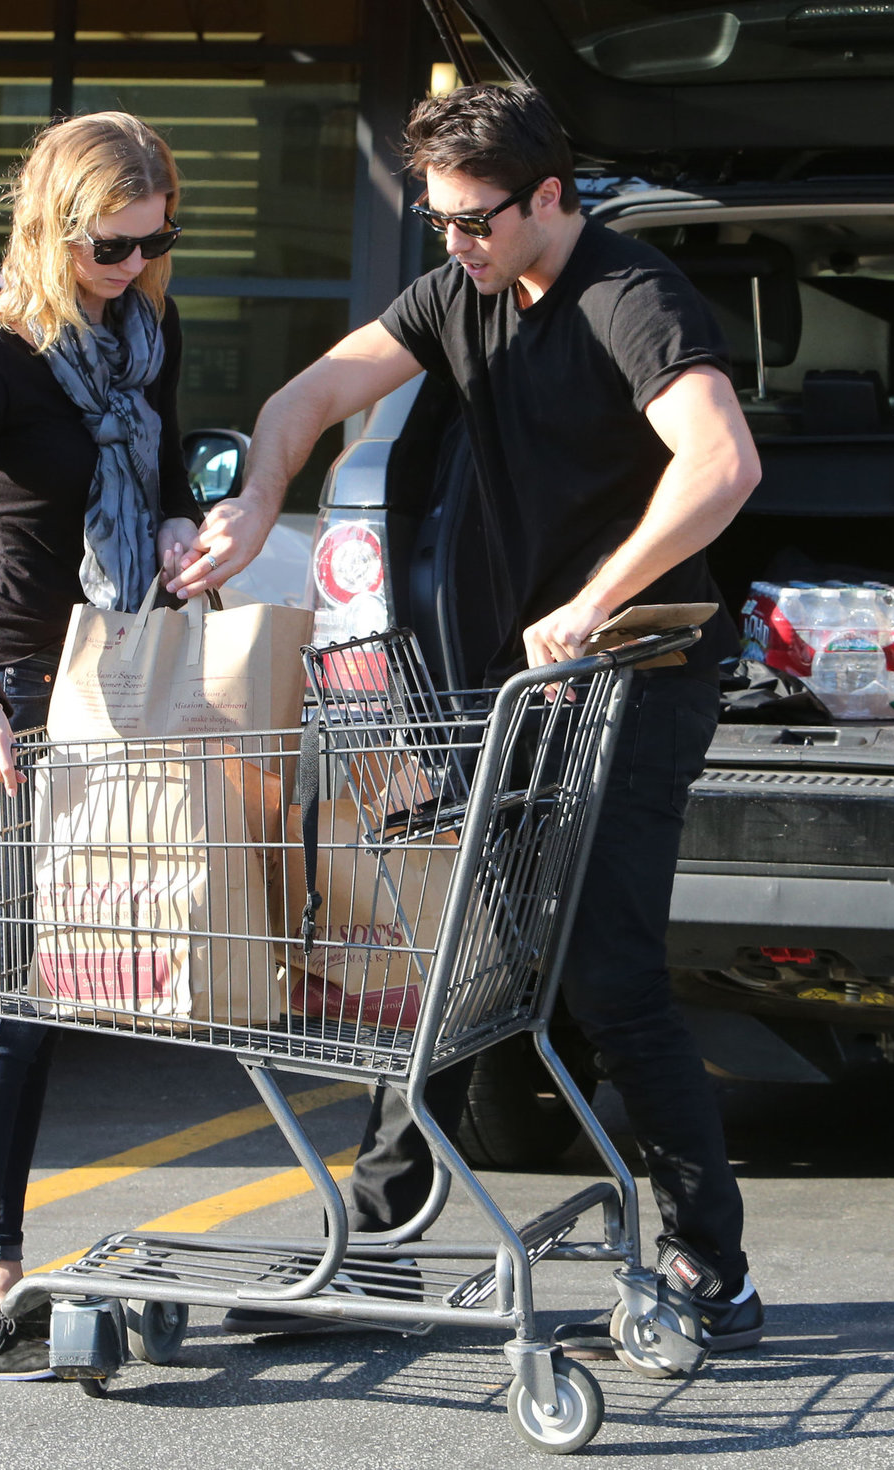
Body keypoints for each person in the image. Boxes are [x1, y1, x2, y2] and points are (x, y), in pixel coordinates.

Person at [168, 83, 765, 1353]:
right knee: (453, 950)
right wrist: (262, 497)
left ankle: (713, 1266)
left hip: (641, 678)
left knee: (606, 974)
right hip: (523, 686)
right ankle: (372, 1239)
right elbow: (314, 393)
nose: (453, 245)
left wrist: (597, 598)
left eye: (473, 221)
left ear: (548, 195)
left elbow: (720, 462)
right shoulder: (464, 291)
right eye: (437, 223)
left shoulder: (629, 296)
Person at [0, 110, 202, 1378]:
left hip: (112, 675)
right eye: (108, 247)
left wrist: (190, 526)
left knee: (46, 1001)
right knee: (3, 1000)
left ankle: (1, 1263)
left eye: (151, 244)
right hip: (13, 688)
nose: (131, 269)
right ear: (52, 227)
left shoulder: (147, 333)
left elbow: (168, 465)